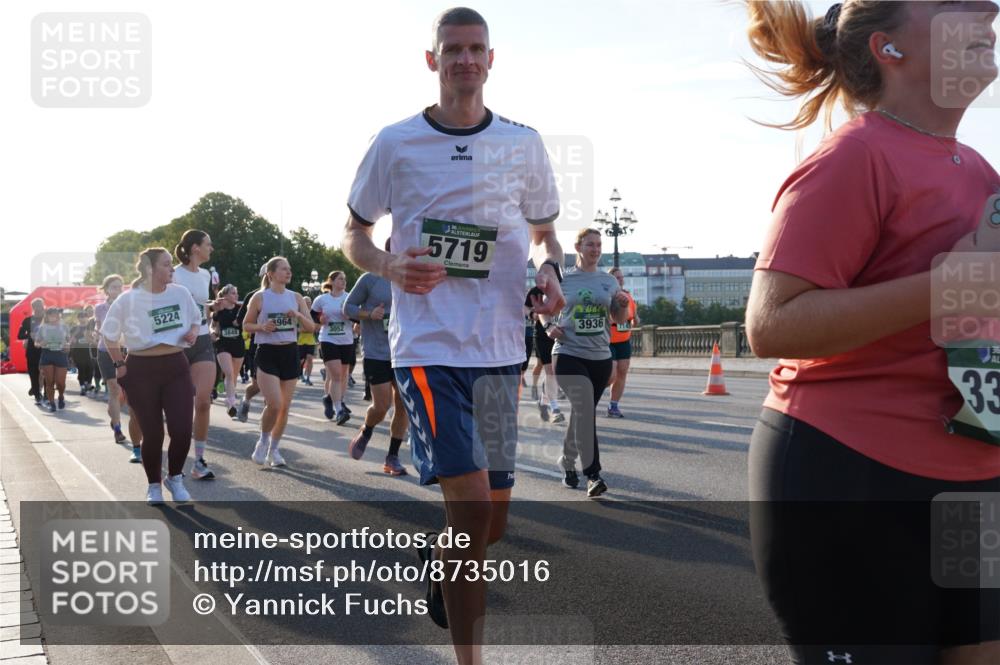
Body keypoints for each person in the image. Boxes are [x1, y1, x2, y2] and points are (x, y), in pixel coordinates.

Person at [743, 2, 1000, 664]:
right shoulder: (856, 158)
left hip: (974, 480)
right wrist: (950, 282)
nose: (990, 8)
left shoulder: (978, 170)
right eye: (954, 3)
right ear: (891, 49)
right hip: (853, 475)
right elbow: (771, 323)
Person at [341, 8, 565, 663]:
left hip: (500, 351)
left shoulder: (523, 143)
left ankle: (440, 560)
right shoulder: (396, 142)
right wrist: (386, 264)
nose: (465, 59)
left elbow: (546, 228)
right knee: (470, 517)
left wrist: (549, 268)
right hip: (428, 351)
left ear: (491, 60)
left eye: (476, 49)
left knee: (488, 525)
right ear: (432, 59)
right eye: (453, 49)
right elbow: (351, 231)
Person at [100, 248, 201, 504]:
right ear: (150, 269)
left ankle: (175, 478)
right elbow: (109, 334)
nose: (172, 269)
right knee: (153, 433)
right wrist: (119, 363)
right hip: (141, 370)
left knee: (181, 429)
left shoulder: (180, 293)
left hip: (176, 366)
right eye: (167, 265)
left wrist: (191, 331)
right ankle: (154, 485)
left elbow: (197, 319)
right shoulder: (128, 300)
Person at [539, 228, 629, 497]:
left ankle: (566, 460)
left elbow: (618, 318)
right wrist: (548, 327)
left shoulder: (608, 281)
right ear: (578, 247)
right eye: (590, 244)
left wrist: (622, 304)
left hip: (600, 357)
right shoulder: (564, 278)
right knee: (585, 411)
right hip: (568, 354)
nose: (596, 249)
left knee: (582, 413)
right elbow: (544, 309)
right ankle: (593, 474)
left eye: (599, 245)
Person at [243, 257, 316, 467]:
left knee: (284, 407)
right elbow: (246, 325)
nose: (288, 272)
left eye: (289, 269)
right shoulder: (260, 297)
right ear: (271, 274)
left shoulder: (296, 297)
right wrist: (262, 327)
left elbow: (311, 327)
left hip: (290, 352)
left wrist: (298, 316)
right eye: (284, 269)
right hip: (267, 352)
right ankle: (263, 441)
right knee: (274, 404)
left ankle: (274, 450)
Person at [343, 243, 409, 475]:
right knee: (382, 407)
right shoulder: (371, 279)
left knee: (404, 406)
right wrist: (369, 314)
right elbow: (348, 307)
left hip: (405, 353)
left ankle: (392, 457)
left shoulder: (413, 278)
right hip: (377, 352)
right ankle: (368, 428)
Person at [172, 229, 225, 480]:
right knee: (179, 407)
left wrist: (214, 308)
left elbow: (200, 308)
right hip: (177, 344)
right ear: (195, 248)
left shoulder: (205, 275)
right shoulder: (173, 274)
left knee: (203, 401)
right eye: (208, 244)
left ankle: (199, 461)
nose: (211, 248)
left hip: (202, 340)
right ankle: (175, 461)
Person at [312, 271, 355, 425]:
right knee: (335, 375)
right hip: (328, 339)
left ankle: (332, 399)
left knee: (343, 376)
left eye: (345, 279)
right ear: (332, 281)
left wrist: (350, 317)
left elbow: (358, 316)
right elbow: (313, 315)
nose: (343, 281)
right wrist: (320, 319)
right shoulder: (322, 299)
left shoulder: (350, 298)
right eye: (340, 279)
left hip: (346, 340)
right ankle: (339, 410)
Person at [526, 285, 564, 423]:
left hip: (562, 335)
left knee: (557, 373)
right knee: (551, 373)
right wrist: (532, 314)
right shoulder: (537, 290)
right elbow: (525, 308)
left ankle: (543, 402)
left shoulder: (565, 285)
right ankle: (555, 409)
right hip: (543, 336)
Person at [236, 263, 268, 422]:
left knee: (273, 388)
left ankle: (268, 423)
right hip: (259, 345)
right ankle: (246, 399)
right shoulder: (254, 296)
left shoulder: (288, 295)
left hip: (283, 345)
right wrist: (261, 325)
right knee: (258, 385)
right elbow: (242, 321)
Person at [606, 266, 639, 418]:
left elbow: (634, 318)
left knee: (622, 372)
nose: (620, 280)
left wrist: (635, 320)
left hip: (624, 340)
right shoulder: (607, 296)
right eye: (616, 278)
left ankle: (613, 406)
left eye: (621, 277)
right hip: (608, 340)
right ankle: (591, 392)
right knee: (611, 375)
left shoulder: (628, 297)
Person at [211, 284, 245, 418]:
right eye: (233, 293)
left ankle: (230, 400)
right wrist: (212, 333)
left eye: (236, 293)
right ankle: (231, 404)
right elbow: (213, 326)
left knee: (233, 377)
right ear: (225, 296)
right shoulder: (219, 310)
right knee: (229, 373)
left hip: (238, 344)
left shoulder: (241, 309)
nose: (236, 295)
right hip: (223, 344)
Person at [34, 307, 71, 412]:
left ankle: (61, 396)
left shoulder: (64, 327)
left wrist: (68, 345)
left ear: (58, 315)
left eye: (55, 314)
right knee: (49, 382)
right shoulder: (42, 328)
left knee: (60, 383)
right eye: (50, 314)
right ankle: (51, 403)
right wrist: (41, 344)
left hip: (60, 355)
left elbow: (69, 340)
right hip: (47, 354)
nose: (53, 316)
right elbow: (36, 343)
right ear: (47, 316)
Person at [17, 298, 45, 404]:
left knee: (44, 372)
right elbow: (19, 335)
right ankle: (37, 394)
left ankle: (41, 391)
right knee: (33, 372)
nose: (38, 308)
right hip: (32, 350)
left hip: (46, 350)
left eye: (39, 305)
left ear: (43, 306)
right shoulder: (27, 320)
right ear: (32, 308)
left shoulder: (48, 319)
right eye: (35, 306)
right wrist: (29, 335)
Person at [69, 307, 97, 395]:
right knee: (81, 369)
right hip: (78, 352)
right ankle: (82, 386)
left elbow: (95, 337)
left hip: (90, 351)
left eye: (84, 316)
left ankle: (88, 384)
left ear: (87, 317)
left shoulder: (91, 327)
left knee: (90, 368)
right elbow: (71, 339)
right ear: (78, 318)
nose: (83, 319)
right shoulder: (74, 328)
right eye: (81, 317)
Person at [297, 296, 317, 385]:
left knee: (309, 359)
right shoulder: (299, 313)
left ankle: (308, 378)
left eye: (309, 302)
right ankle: (299, 373)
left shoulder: (313, 314)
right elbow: (296, 328)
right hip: (300, 341)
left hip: (311, 341)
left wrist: (308, 328)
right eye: (306, 302)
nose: (308, 304)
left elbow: (316, 327)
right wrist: (306, 329)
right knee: (300, 360)